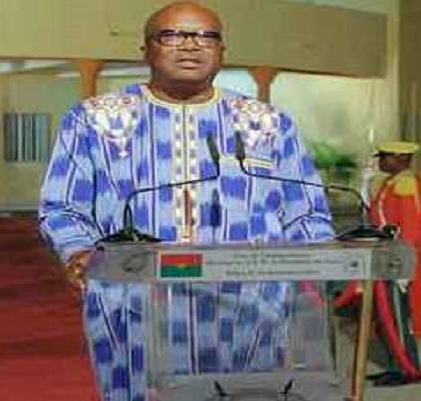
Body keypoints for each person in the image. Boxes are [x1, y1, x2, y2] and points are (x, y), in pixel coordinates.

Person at [38, 2, 335, 399]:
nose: (191, 44)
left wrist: (321, 262)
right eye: (173, 35)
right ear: (146, 50)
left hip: (250, 307)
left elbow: (307, 211)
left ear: (222, 51)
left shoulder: (267, 123)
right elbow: (62, 207)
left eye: (206, 36)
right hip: (134, 303)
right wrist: (77, 251)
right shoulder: (95, 119)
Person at [364, 141, 421, 386]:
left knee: (398, 319)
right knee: (386, 318)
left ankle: (406, 368)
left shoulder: (405, 183)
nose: (380, 161)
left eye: (384, 157)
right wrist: (366, 183)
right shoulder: (391, 182)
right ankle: (394, 365)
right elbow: (376, 214)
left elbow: (411, 226)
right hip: (386, 255)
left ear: (400, 159)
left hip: (397, 258)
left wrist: (404, 263)